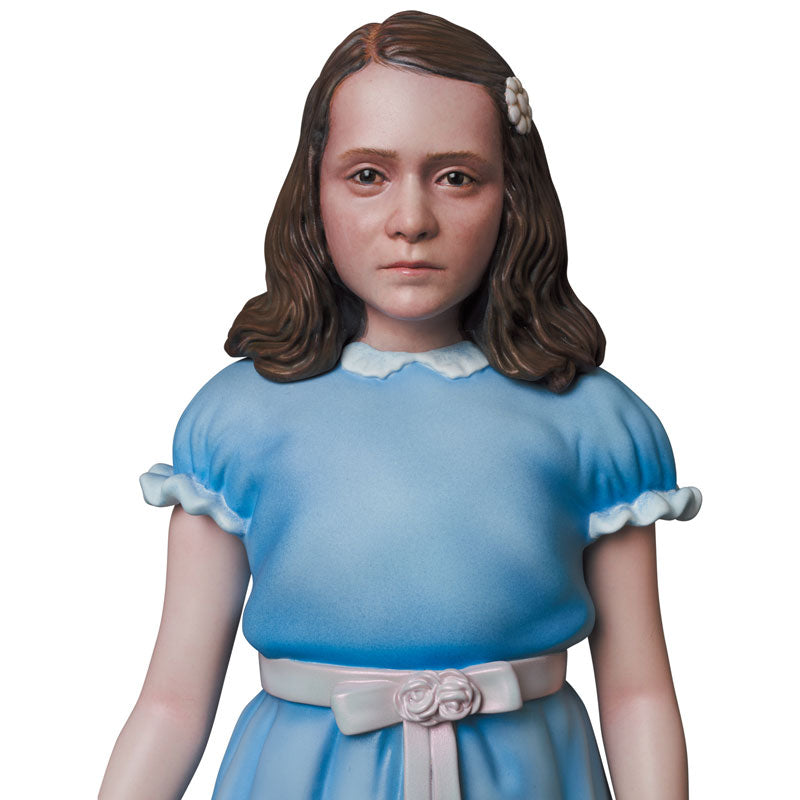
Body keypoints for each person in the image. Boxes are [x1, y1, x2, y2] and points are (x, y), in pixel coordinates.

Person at [100, 10, 701, 800]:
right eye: (368, 175)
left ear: (512, 194)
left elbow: (638, 694)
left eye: (456, 177)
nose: (411, 221)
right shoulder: (238, 421)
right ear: (314, 190)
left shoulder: (593, 422)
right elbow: (172, 704)